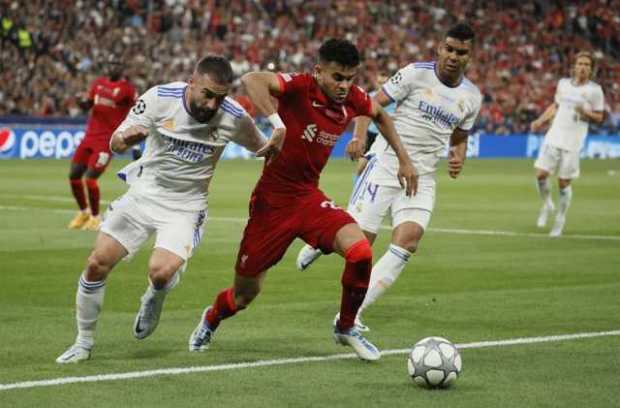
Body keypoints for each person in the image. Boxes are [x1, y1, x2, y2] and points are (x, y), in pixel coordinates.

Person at [188, 39, 417, 361]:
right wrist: (277, 123)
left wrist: (403, 160)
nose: (344, 86)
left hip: (309, 197)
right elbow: (252, 79)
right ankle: (211, 319)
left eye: (350, 78)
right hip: (272, 203)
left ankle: (346, 326)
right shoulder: (298, 87)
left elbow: (381, 115)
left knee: (360, 252)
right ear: (318, 71)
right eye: (338, 77)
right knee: (243, 295)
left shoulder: (352, 98)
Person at [56, 55, 266, 363]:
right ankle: (83, 343)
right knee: (97, 263)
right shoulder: (159, 98)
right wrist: (125, 139)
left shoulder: (234, 117)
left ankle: (155, 295)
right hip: (144, 193)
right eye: (207, 94)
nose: (211, 105)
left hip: (186, 206)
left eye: (219, 98)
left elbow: (264, 148)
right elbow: (115, 142)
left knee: (160, 271)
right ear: (192, 82)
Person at [296, 23, 482, 332]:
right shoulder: (414, 74)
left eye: (461, 52)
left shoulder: (472, 97)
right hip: (385, 164)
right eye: (449, 49)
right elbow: (370, 104)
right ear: (439, 48)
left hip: (421, 177)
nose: (453, 56)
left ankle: (354, 313)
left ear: (470, 56)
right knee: (360, 245)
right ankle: (321, 242)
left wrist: (458, 154)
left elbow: (460, 135)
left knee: (407, 242)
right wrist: (358, 138)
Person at [530, 51, 606, 237]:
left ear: (591, 69)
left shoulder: (595, 91)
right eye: (580, 63)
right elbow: (555, 106)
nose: (583, 67)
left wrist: (585, 113)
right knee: (540, 174)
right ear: (574, 66)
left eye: (587, 65)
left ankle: (560, 218)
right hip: (554, 135)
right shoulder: (563, 84)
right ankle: (547, 204)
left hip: (573, 142)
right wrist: (540, 121)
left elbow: (599, 117)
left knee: (563, 183)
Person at [67, 55, 138, 231]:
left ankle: (95, 217)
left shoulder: (127, 90)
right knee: (74, 175)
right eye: (110, 64)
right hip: (89, 136)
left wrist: (134, 144)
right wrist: (81, 102)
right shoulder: (98, 84)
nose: (112, 67)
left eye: (116, 64)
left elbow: (136, 114)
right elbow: (88, 105)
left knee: (90, 179)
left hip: (107, 140)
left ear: (122, 69)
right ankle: (83, 212)